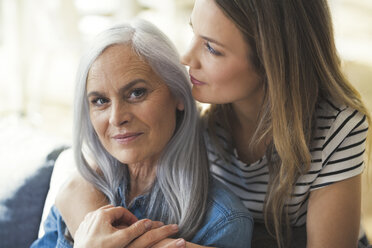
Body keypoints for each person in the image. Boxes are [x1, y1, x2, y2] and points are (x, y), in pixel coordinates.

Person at [56, 0, 371, 247]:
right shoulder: (206, 123)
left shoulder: (337, 129)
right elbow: (76, 185)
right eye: (194, 33)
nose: (186, 57)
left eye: (212, 48)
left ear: (270, 63)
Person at [30, 19, 253, 248]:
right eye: (100, 101)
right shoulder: (81, 193)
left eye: (136, 93)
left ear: (178, 95)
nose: (117, 117)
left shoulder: (222, 222)